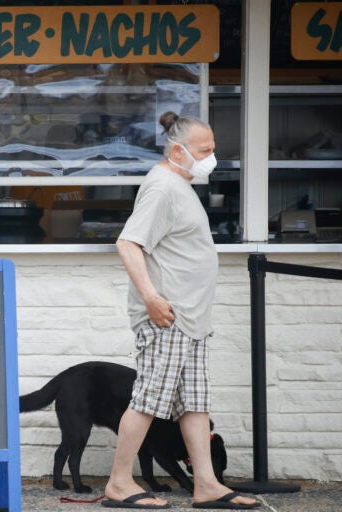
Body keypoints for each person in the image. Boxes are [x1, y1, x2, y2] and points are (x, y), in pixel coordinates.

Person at [102, 112, 259, 510]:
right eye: (205, 150)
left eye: (212, 149)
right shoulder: (162, 188)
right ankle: (119, 484)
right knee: (148, 401)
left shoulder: (180, 185)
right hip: (168, 318)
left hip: (191, 320)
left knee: (195, 404)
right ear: (178, 150)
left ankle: (205, 484)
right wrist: (152, 299)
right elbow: (128, 243)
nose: (212, 157)